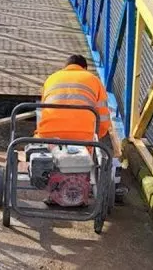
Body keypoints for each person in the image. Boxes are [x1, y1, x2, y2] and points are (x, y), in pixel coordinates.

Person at [35, 54, 126, 202]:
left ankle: (53, 184)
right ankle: (79, 188)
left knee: (49, 153)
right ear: (85, 68)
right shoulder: (94, 80)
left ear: (65, 67)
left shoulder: (51, 78)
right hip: (83, 134)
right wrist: (97, 136)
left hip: (49, 132)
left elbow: (42, 110)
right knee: (84, 158)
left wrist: (40, 132)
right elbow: (103, 118)